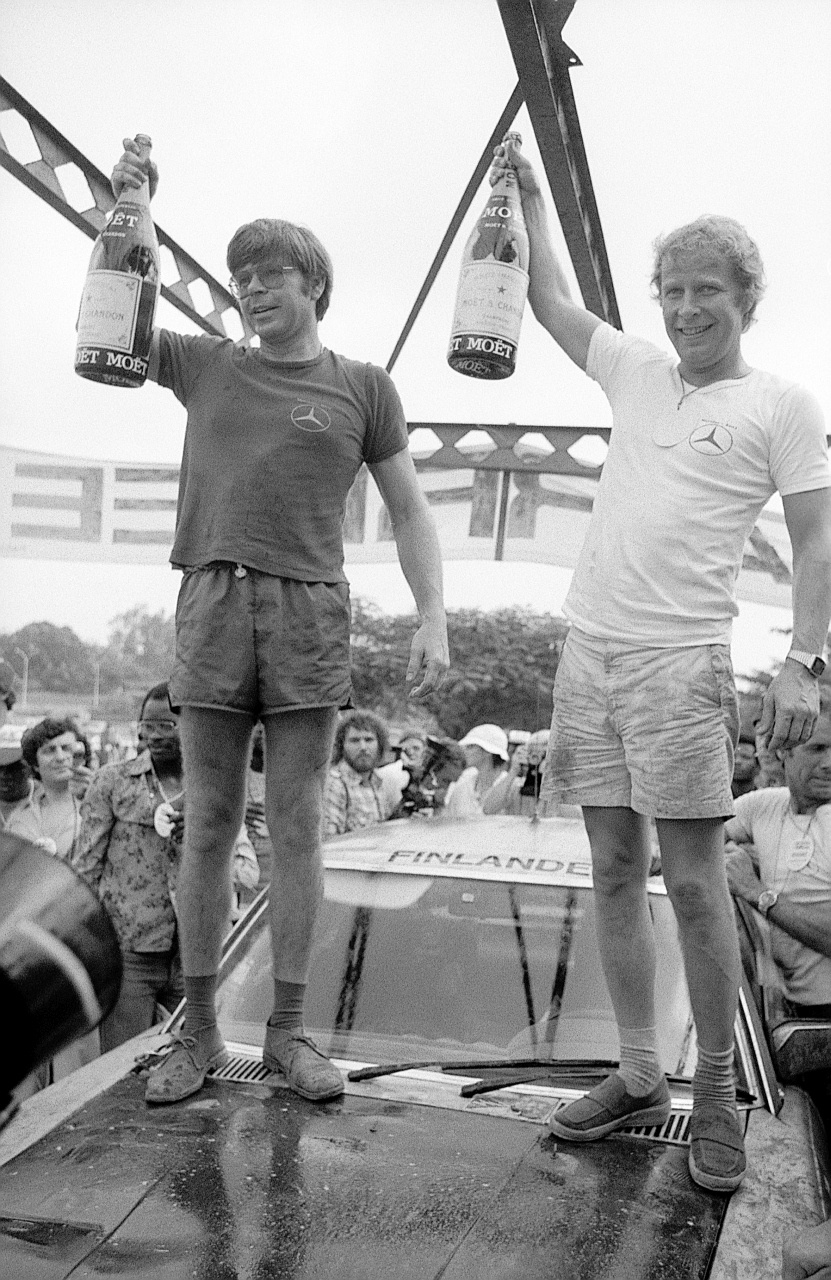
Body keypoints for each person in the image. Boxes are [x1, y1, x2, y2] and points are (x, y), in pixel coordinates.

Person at [489, 135, 831, 1192]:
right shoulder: (635, 367)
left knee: (691, 881)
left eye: (705, 291)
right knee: (611, 869)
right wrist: (530, 197)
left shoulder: (780, 404)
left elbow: (817, 535)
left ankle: (716, 1088)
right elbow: (549, 301)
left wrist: (804, 658)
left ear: (746, 298)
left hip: (683, 661)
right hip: (587, 650)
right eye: (671, 291)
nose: (685, 309)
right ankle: (640, 1070)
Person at [107, 141, 448, 1106]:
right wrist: (130, 209)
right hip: (213, 598)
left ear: (315, 286)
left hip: (309, 609)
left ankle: (290, 1033)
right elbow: (118, 319)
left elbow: (410, 510)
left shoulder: (363, 386)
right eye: (241, 278)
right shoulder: (204, 363)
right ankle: (198, 1030)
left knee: (298, 826)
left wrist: (432, 615)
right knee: (209, 822)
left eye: (270, 276)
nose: (252, 291)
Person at [72, 683, 257, 1051]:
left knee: (192, 1055)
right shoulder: (113, 781)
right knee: (124, 1060)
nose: (154, 736)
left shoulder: (215, 786)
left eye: (166, 726)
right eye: (147, 725)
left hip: (197, 952)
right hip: (130, 952)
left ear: (191, 727)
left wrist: (203, 837)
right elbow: (85, 868)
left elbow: (247, 873)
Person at [724, 695, 831, 1135]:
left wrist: (756, 893)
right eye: (817, 749)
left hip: (821, 1030)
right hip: (772, 1020)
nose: (829, 763)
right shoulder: (762, 806)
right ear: (783, 752)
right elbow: (683, 847)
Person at [16, 718, 93, 858]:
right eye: (49, 750)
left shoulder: (98, 805)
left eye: (66, 748)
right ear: (35, 764)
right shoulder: (22, 815)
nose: (60, 757)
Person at [323, 710, 398, 837]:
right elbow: (331, 841)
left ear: (380, 745)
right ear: (342, 746)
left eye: (369, 740)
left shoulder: (378, 782)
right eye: (354, 740)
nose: (363, 747)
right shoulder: (335, 784)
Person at [444, 724, 509, 816]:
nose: (464, 751)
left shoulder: (511, 787)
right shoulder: (461, 786)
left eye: (470, 747)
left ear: (487, 752)